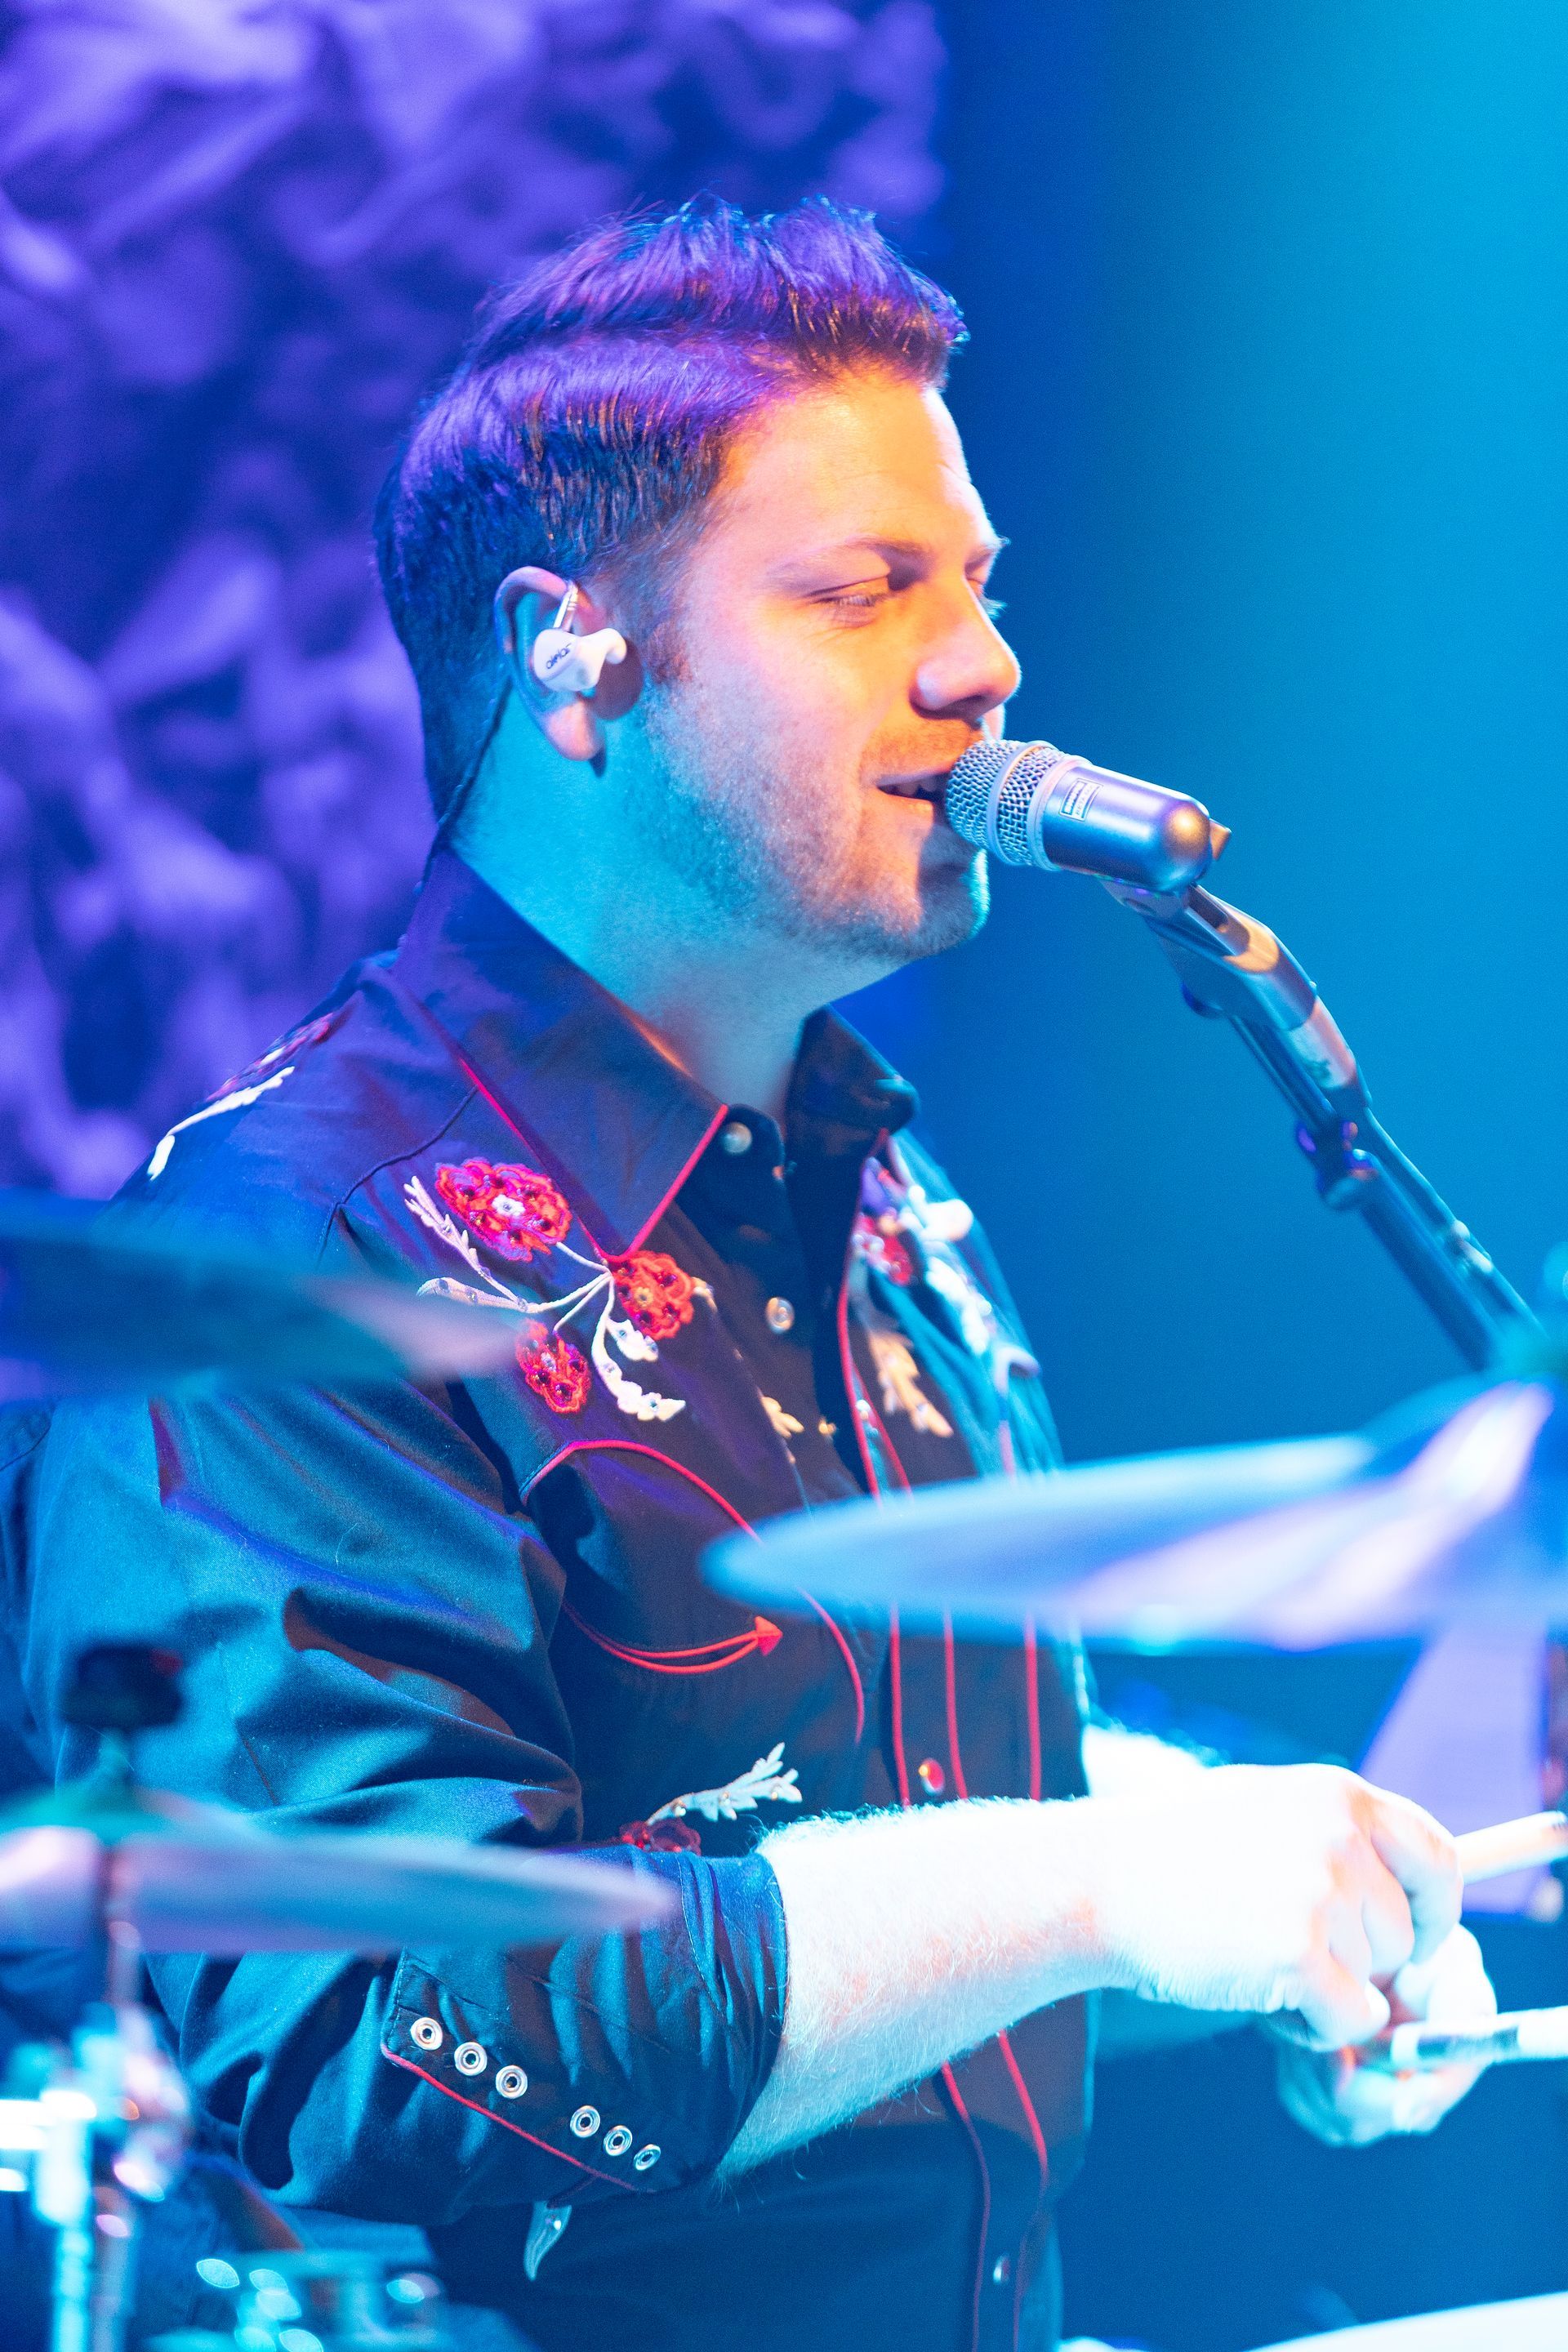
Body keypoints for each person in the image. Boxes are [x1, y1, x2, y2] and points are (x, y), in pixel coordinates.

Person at [22, 198, 1497, 2352]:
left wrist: (1272, 1902)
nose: (984, 666)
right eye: (863, 589)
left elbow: (864, 1834)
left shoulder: (888, 1211)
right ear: (575, 651)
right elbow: (367, 2036)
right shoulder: (288, 1251)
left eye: (977, 584)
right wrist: (1098, 1889)